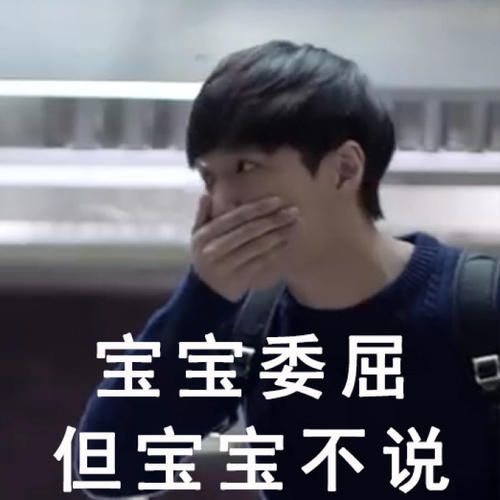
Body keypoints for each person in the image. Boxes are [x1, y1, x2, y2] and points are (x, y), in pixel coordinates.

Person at [73, 40, 497, 499]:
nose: (223, 201)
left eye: (246, 166)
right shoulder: (245, 327)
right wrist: (203, 298)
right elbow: (105, 468)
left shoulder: (479, 307)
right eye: (209, 177)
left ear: (344, 169)